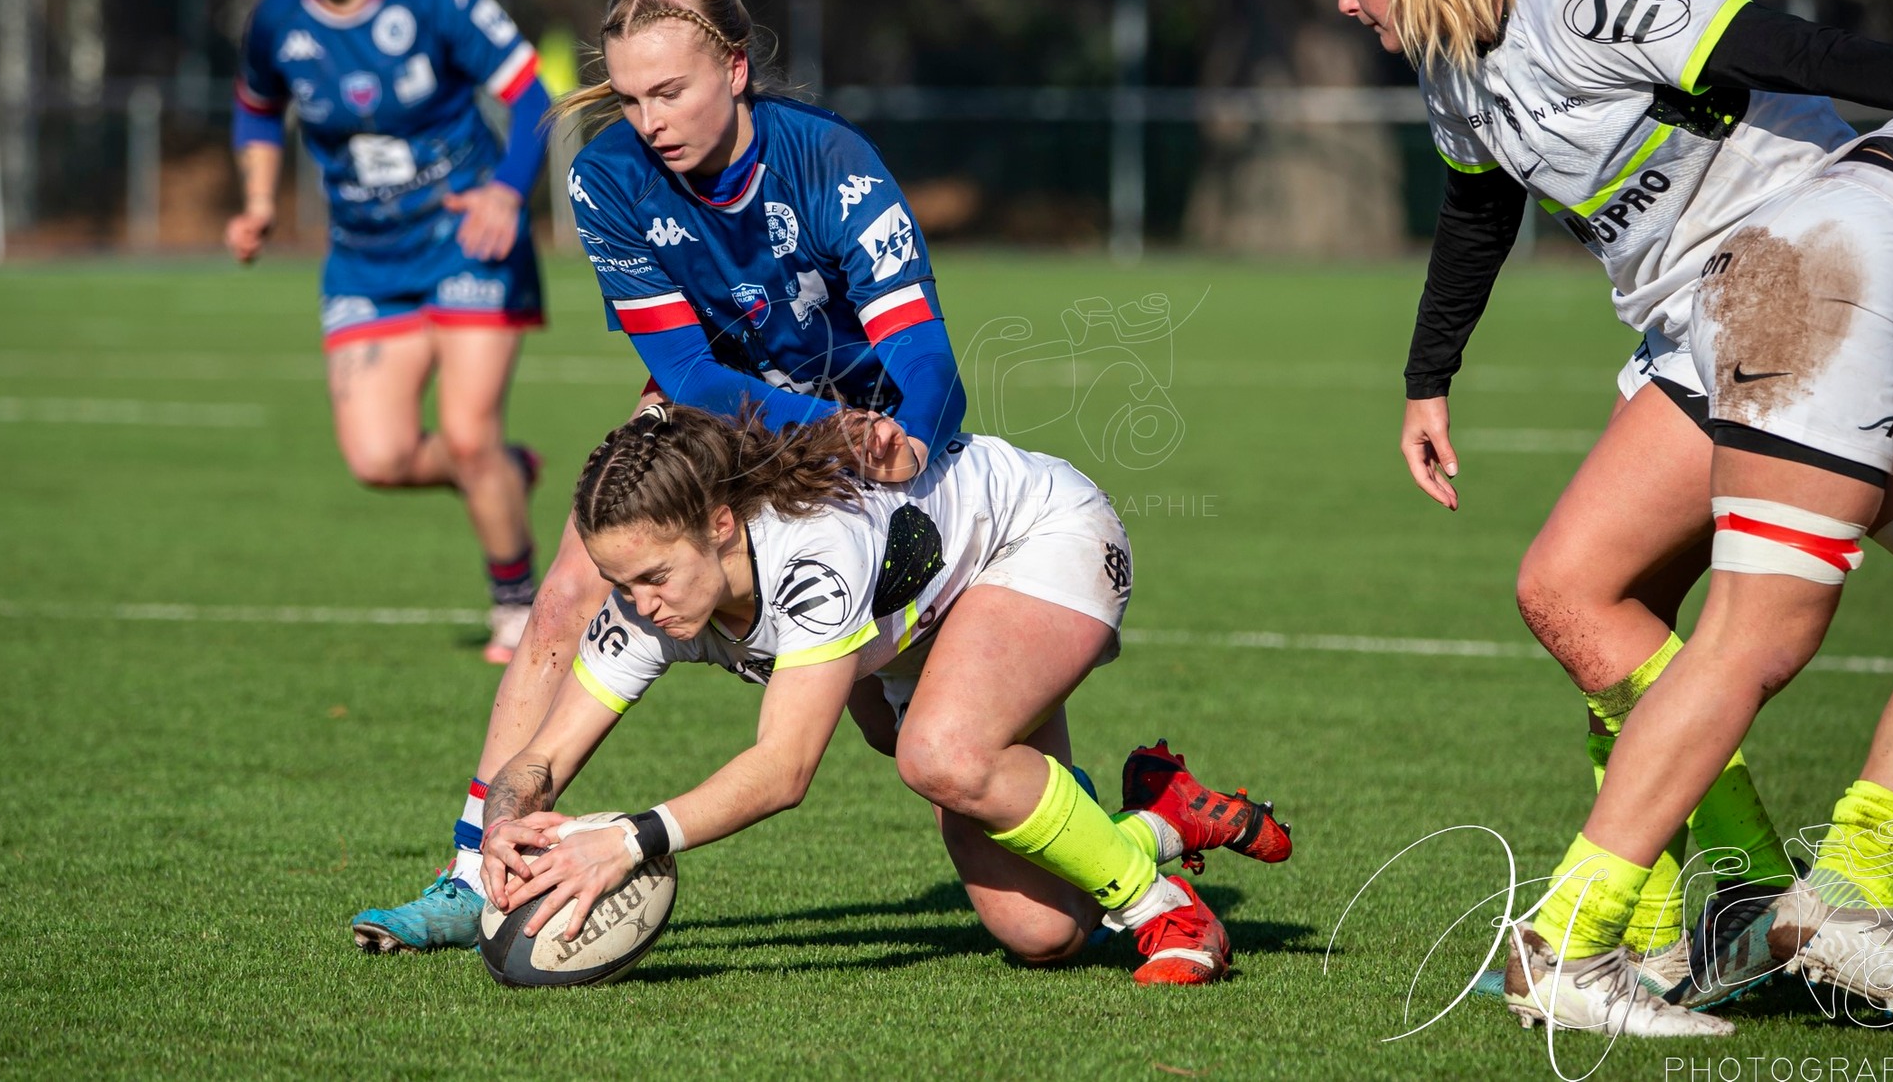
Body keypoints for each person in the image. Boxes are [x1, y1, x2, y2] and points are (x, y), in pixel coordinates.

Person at [1318, 0, 1893, 1012]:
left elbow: (1783, 48)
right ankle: (1735, 908)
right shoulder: (1453, 59)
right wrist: (1425, 379)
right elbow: (1474, 212)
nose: (1342, 0)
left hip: (1798, 293)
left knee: (1664, 616)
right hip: (1709, 331)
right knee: (1586, 598)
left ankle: (1725, 910)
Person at [350, 0, 970, 952]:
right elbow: (686, 376)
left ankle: (1102, 826)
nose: (648, 120)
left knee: (906, 725)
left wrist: (904, 438)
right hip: (716, 405)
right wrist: (813, 430)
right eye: (629, 96)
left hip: (860, 416)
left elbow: (928, 360)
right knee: (566, 591)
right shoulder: (607, 176)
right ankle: (476, 872)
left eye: (668, 91)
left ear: (733, 67)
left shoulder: (830, 161)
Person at [479, 404, 1295, 984]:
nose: (640, 603)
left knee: (939, 752)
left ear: (721, 525)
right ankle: (1163, 815)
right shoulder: (650, 601)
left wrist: (625, 841)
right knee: (1044, 931)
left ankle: (1168, 911)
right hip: (923, 623)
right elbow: (539, 759)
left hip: (1038, 538)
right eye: (621, 582)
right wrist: (505, 828)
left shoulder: (810, 552)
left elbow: (784, 768)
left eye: (655, 576)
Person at [1510, 96, 1893, 1035]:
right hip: (1833, 293)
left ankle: (1829, 890)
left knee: (1618, 599)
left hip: (1753, 280)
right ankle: (1568, 940)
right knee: (1749, 640)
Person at [227, 0, 551, 665]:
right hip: (366, 261)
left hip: (468, 238)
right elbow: (258, 109)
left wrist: (508, 192)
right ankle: (503, 471)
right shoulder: (277, 20)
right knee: (378, 457)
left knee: (467, 430)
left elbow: (530, 92)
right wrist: (260, 202)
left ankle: (515, 602)